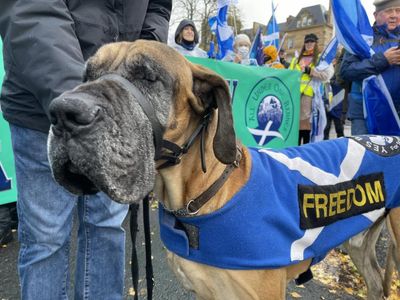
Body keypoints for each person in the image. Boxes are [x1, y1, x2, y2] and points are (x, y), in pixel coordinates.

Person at [0, 1, 171, 299]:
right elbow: (32, 12)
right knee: (46, 239)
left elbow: (157, 7)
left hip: (113, 108)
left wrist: (140, 63)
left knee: (106, 227)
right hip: (45, 109)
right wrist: (89, 102)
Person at [340, 0, 400, 135]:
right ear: (376, 15)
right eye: (389, 11)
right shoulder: (360, 39)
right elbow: (346, 71)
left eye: (398, 11)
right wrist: (384, 60)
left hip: (396, 114)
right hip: (365, 113)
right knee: (366, 155)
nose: (394, 15)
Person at [289, 33, 333, 145]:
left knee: (307, 124)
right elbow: (288, 74)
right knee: (295, 123)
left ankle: (307, 147)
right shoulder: (295, 59)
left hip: (311, 96)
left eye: (311, 42)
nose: (309, 44)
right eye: (307, 42)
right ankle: (296, 146)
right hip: (295, 95)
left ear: (316, 43)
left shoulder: (319, 60)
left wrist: (310, 71)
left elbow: (326, 76)